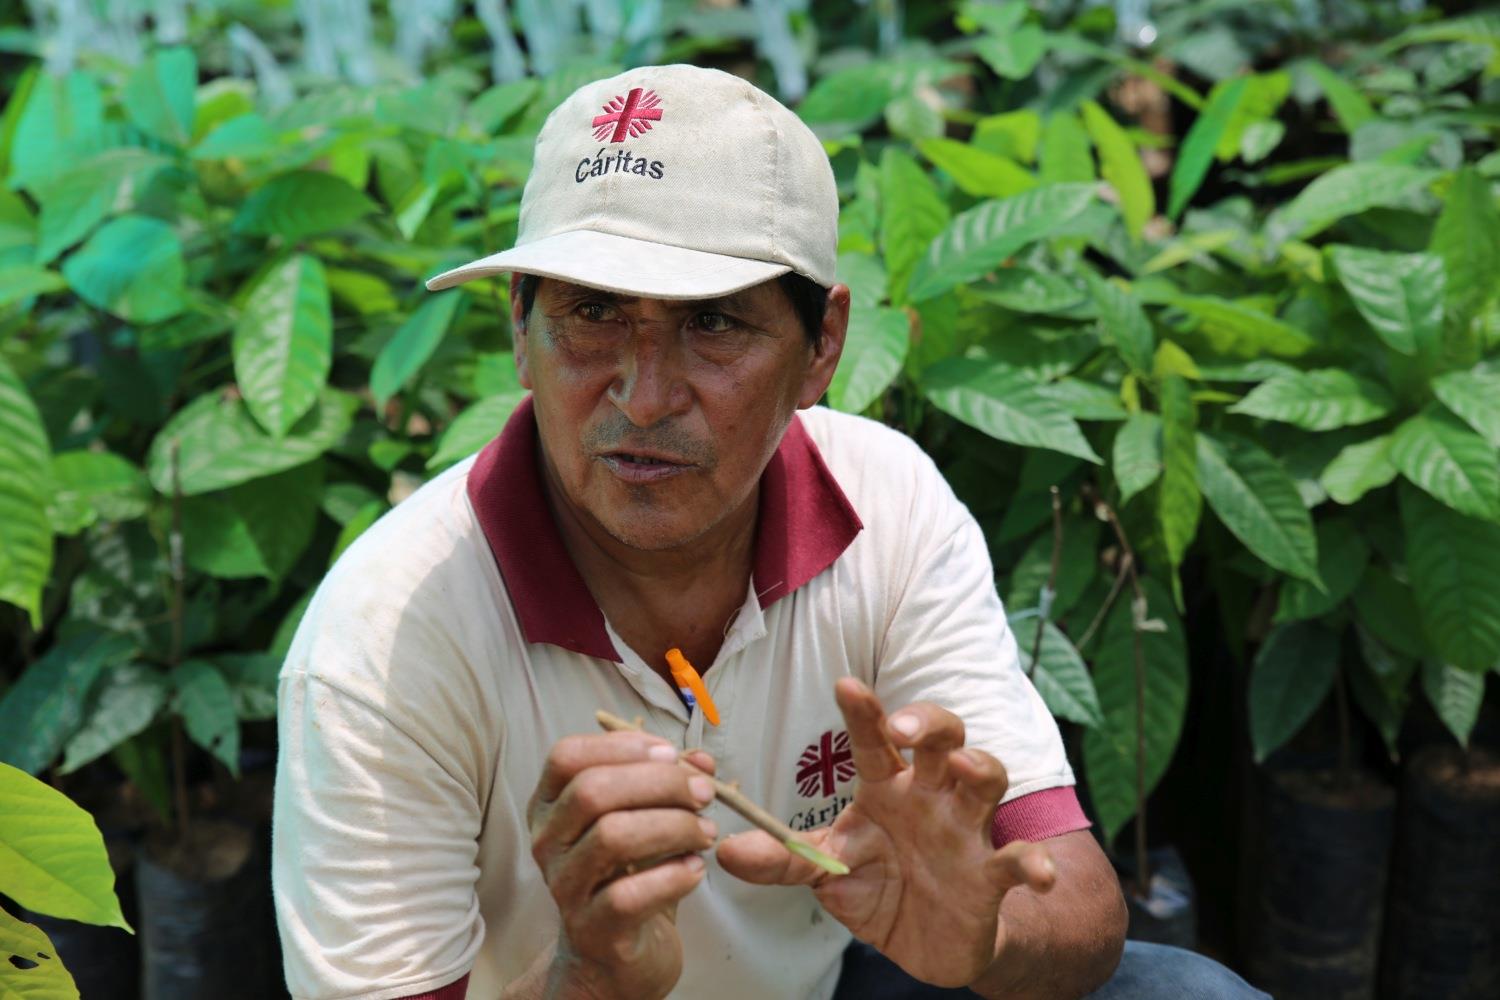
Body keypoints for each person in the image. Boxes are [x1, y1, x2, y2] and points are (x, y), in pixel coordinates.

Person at [272, 65, 1269, 1000]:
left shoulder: (884, 506)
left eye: (713, 324)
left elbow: (1075, 893)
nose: (645, 396)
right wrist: (593, 978)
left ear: (822, 346)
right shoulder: (389, 638)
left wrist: (982, 934)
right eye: (592, 312)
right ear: (519, 330)